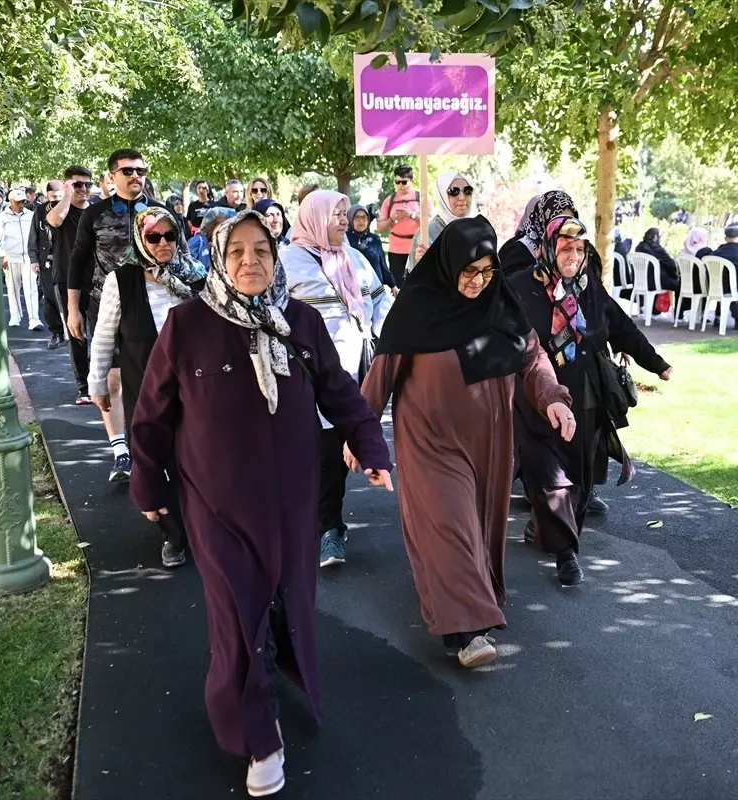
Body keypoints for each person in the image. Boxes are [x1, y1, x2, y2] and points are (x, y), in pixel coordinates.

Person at [128, 208, 393, 797]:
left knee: (284, 605)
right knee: (239, 613)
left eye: (262, 251)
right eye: (237, 252)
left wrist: (371, 447)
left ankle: (264, 683)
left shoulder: (299, 320)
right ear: (219, 260)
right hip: (216, 506)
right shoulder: (186, 326)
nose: (250, 262)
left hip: (293, 502)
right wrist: (148, 484)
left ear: (276, 260)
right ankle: (260, 736)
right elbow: (149, 416)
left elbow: (340, 391)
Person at [361, 215, 572, 663]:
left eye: (486, 270)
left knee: (475, 528)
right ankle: (469, 633)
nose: (478, 281)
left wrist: (552, 397)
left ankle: (467, 609)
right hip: (430, 440)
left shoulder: (501, 304)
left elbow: (532, 360)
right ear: (448, 263)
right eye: (469, 271)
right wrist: (363, 436)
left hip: (489, 442)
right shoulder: (416, 310)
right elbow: (380, 375)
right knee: (450, 523)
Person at [510, 215, 672, 586]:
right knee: (549, 479)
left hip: (586, 399)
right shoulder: (519, 287)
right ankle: (566, 553)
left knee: (580, 479)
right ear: (549, 248)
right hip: (536, 403)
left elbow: (622, 327)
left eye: (579, 248)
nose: (573, 254)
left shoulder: (589, 289)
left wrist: (656, 363)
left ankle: (553, 531)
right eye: (566, 247)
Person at [280, 190, 393, 568]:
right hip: (301, 373)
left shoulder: (355, 259)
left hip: (347, 372)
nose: (344, 221)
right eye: (336, 215)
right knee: (303, 450)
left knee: (332, 450)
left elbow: (379, 304)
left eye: (346, 214)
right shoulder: (288, 262)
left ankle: (329, 528)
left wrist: (388, 339)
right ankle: (300, 519)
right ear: (314, 217)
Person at [89, 209, 205, 568]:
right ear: (141, 240)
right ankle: (173, 534)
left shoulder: (197, 277)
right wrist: (98, 382)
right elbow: (105, 336)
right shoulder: (121, 280)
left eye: (170, 236)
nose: (163, 244)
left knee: (198, 458)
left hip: (197, 386)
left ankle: (200, 527)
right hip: (147, 385)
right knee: (156, 457)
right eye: (154, 238)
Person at [67, 149, 169, 482]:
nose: (135, 176)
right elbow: (78, 261)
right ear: (112, 176)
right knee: (111, 379)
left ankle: (158, 446)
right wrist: (73, 309)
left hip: (150, 308)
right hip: (104, 303)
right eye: (127, 171)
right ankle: (121, 451)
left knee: (156, 377)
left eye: (140, 170)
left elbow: (178, 258)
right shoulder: (94, 214)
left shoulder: (161, 213)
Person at [47, 166, 95, 403]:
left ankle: (101, 380)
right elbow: (55, 221)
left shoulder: (96, 212)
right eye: (78, 184)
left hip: (97, 279)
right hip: (66, 280)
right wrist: (67, 195)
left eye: (87, 184)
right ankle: (83, 386)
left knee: (102, 332)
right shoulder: (59, 210)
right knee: (77, 332)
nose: (84, 189)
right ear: (68, 185)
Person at [408, 171, 476, 272]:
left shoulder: (478, 229)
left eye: (467, 190)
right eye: (454, 191)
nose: (462, 197)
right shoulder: (427, 234)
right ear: (442, 196)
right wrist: (427, 262)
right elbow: (415, 281)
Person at [499, 190, 577, 277]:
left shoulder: (576, 253)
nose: (564, 229)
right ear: (543, 221)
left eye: (570, 222)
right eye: (558, 223)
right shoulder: (521, 251)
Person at [28, 180, 67, 348]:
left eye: (59, 197)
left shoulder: (71, 208)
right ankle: (57, 332)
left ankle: (77, 333)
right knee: (50, 297)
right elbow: (34, 236)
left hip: (69, 260)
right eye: (52, 197)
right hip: (47, 261)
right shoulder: (40, 211)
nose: (56, 200)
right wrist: (34, 259)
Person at [0, 188, 43, 330]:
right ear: (10, 201)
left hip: (28, 257)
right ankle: (15, 316)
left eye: (23, 201)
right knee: (13, 288)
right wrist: (2, 256)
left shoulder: (31, 215)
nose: (21, 204)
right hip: (11, 257)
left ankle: (34, 319)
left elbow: (37, 234)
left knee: (31, 287)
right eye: (18, 202)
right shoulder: (3, 217)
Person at [375, 165, 421, 286]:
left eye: (404, 182)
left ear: (412, 180)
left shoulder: (421, 198)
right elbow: (379, 228)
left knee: (418, 286)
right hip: (396, 251)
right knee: (399, 288)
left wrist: (412, 215)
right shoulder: (389, 201)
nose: (400, 185)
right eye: (397, 182)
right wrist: (392, 219)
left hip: (417, 250)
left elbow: (430, 224)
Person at [346, 204, 394, 290]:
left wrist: (393, 285)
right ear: (350, 218)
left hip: (376, 289)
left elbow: (382, 264)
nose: (361, 221)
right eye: (357, 217)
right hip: (353, 290)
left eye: (364, 217)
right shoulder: (344, 239)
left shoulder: (374, 239)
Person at [634, 227, 681, 296]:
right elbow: (672, 264)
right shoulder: (657, 249)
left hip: (640, 282)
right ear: (656, 237)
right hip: (655, 282)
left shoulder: (639, 247)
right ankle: (679, 306)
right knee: (680, 284)